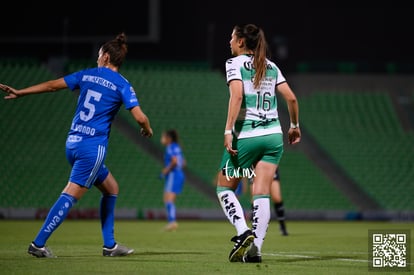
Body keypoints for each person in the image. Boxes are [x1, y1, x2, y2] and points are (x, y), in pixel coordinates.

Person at [0, 33, 153, 258]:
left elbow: (53, 85)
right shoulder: (122, 84)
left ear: (107, 57)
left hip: (73, 143)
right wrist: (147, 129)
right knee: (70, 193)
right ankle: (38, 244)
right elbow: (140, 117)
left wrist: (21, 92)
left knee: (111, 188)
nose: (98, 57)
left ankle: (109, 245)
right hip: (92, 149)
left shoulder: (87, 75)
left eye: (100, 54)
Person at [216, 23, 300, 263]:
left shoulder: (234, 63)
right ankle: (256, 249)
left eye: (231, 37)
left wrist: (228, 130)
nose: (229, 42)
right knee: (261, 191)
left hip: (248, 136)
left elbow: (237, 96)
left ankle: (243, 232)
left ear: (241, 42)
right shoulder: (271, 66)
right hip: (274, 137)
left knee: (224, 188)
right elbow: (291, 99)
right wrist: (294, 126)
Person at [249, 168, 288, 236]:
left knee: (277, 198)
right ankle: (255, 227)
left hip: (269, 165)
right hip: (254, 166)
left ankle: (282, 225)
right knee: (255, 197)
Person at [160, 129, 186, 231]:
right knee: (169, 199)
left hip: (173, 174)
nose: (162, 139)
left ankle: (172, 222)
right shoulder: (177, 147)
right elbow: (183, 162)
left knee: (168, 199)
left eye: (163, 137)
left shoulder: (170, 147)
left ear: (168, 138)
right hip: (179, 173)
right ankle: (172, 221)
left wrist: (166, 171)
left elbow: (175, 161)